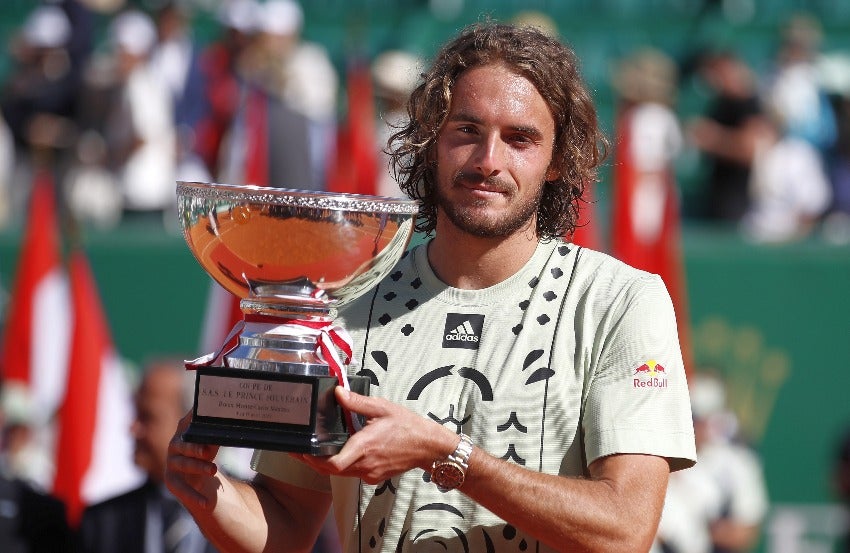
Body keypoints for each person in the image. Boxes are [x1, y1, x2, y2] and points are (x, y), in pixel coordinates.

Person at [165, 22, 696, 553]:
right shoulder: (345, 306)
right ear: (430, 140)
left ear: (557, 159)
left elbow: (626, 530)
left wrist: (448, 456)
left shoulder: (621, 301)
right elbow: (284, 527)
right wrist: (204, 487)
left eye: (520, 139)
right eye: (467, 130)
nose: (489, 160)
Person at [78, 358, 218, 553]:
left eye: (147, 417)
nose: (133, 428)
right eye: (136, 414)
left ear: (191, 422)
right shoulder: (101, 524)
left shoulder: (255, 517)